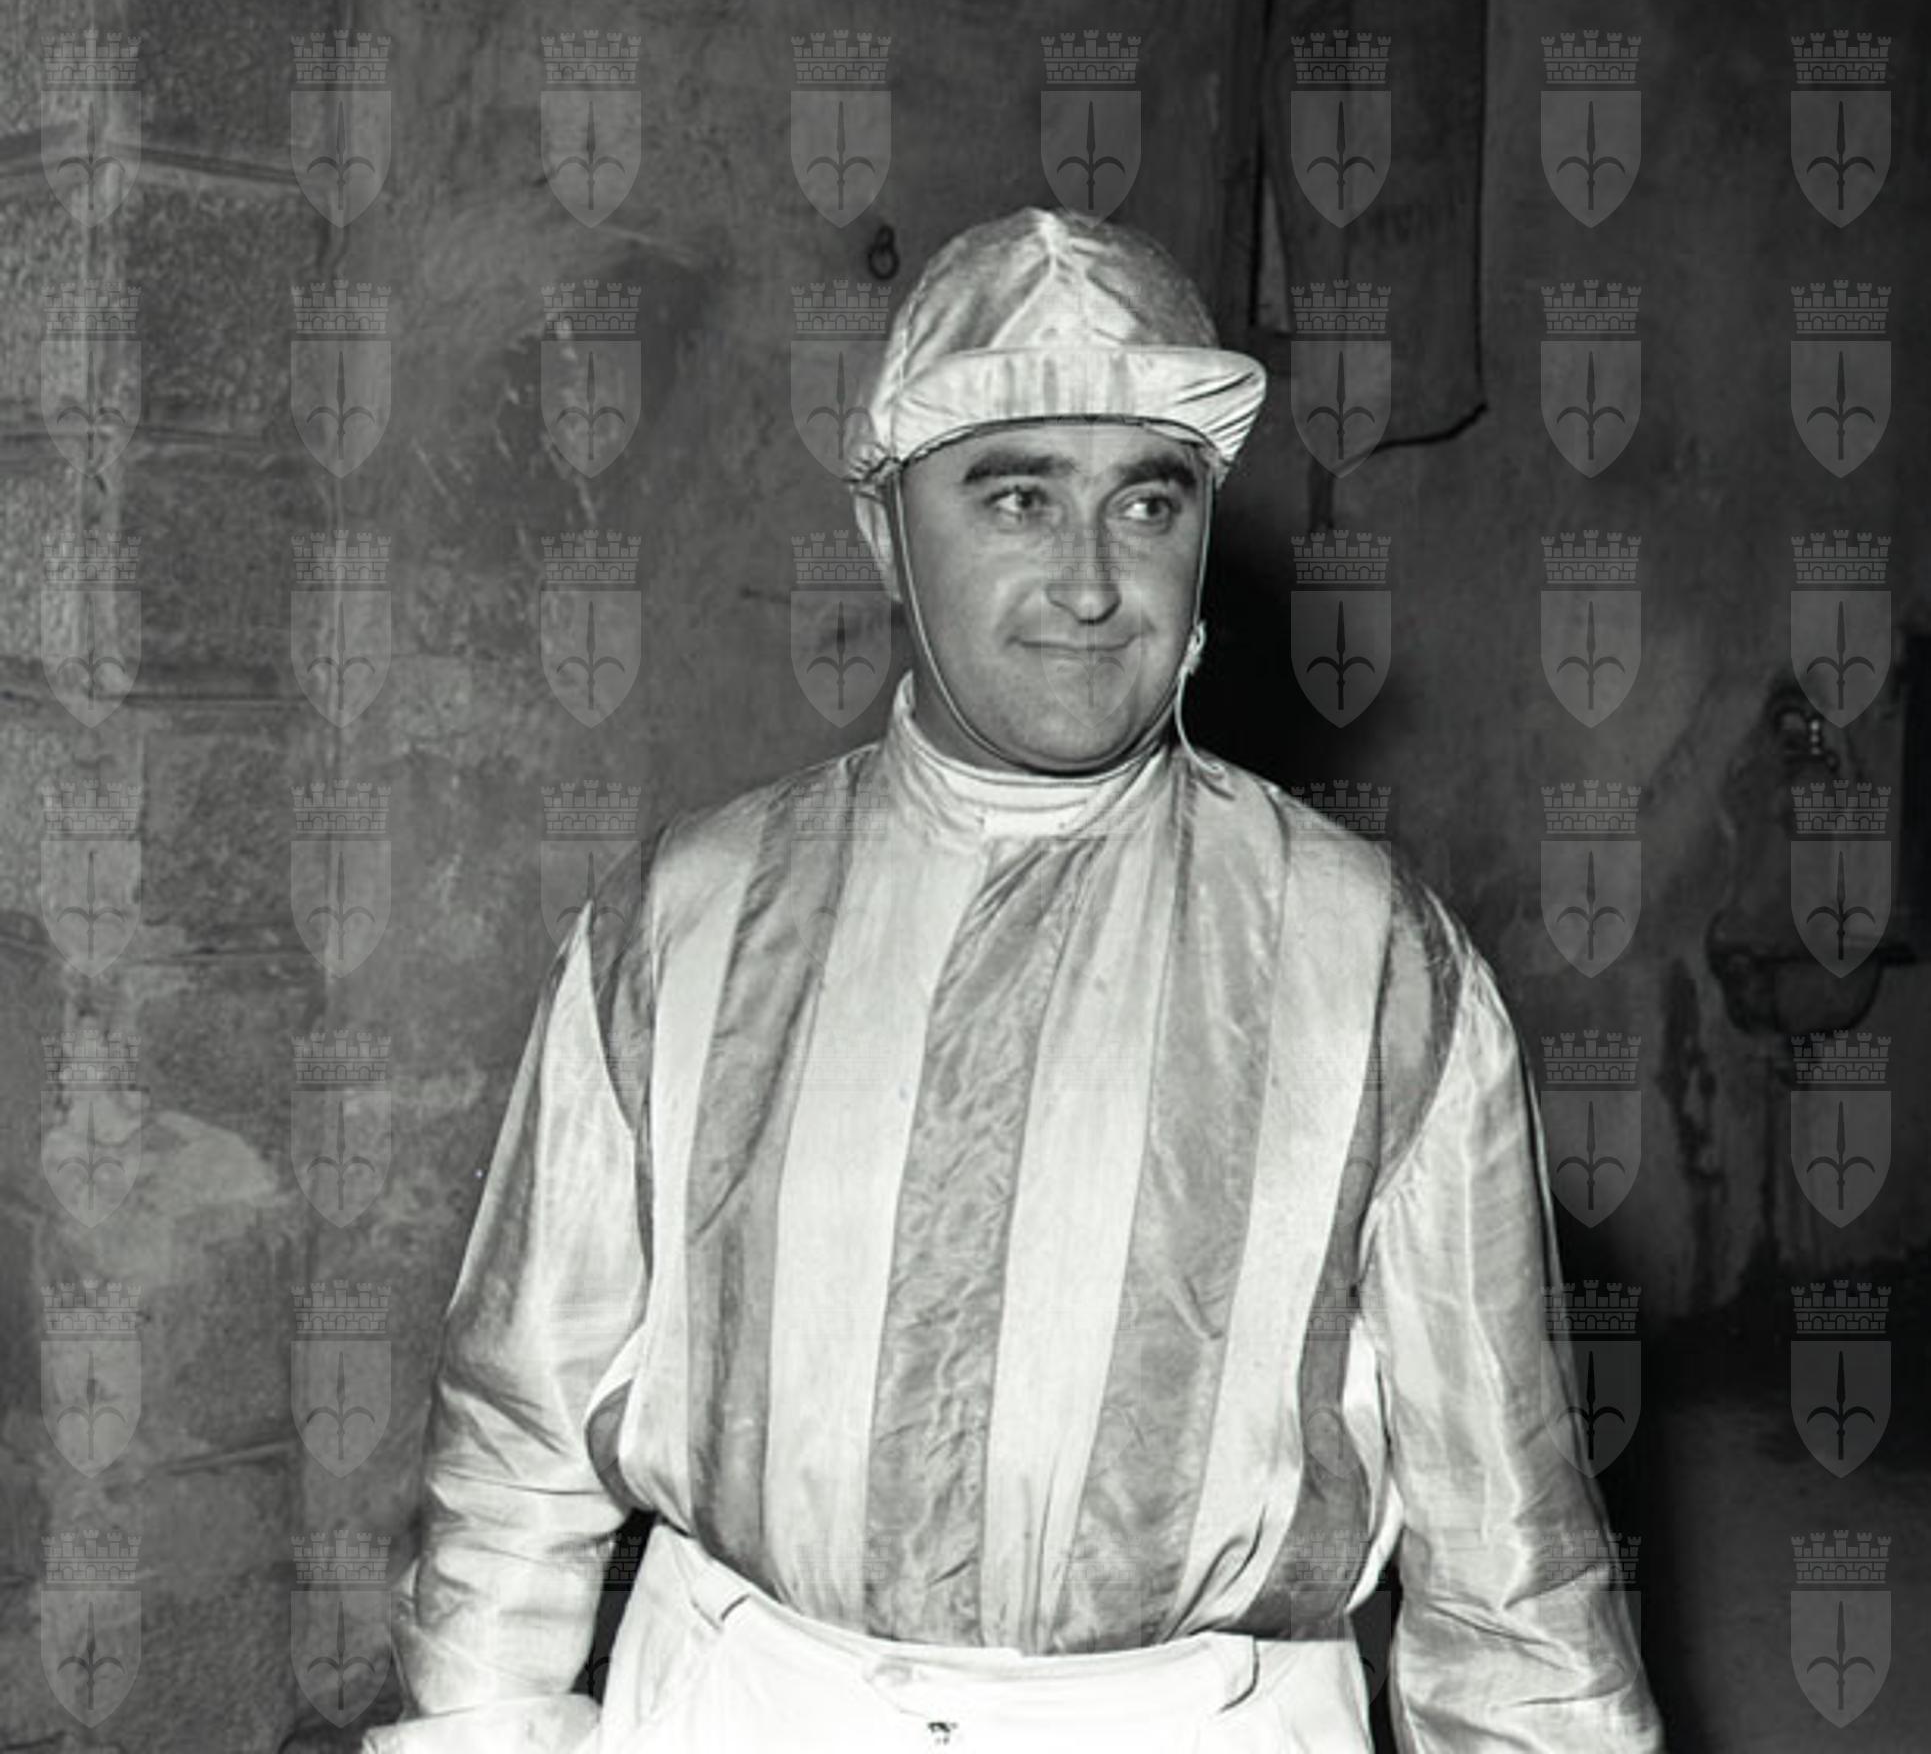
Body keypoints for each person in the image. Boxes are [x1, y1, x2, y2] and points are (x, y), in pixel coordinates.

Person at [365, 207, 1668, 1752]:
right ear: (884, 532)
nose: (1092, 583)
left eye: (1147, 504)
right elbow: (515, 1446)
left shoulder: (1371, 958)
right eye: (1018, 498)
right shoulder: (679, 923)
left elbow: (1510, 1563)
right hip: (744, 1706)